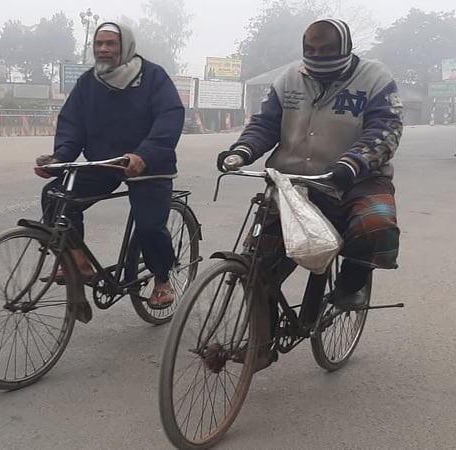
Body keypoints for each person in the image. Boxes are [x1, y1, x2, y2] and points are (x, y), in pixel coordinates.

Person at [218, 19, 402, 312]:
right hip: (291, 183)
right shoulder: (288, 78)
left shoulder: (374, 78)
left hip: (353, 180)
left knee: (376, 225)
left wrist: (352, 164)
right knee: (257, 267)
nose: (319, 56)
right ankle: (260, 341)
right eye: (311, 49)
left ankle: (352, 283)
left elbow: (385, 129)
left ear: (347, 47)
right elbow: (266, 124)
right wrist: (242, 151)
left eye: (328, 49)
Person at [34, 21, 184, 310]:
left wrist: (145, 154)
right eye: (98, 44)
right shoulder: (88, 83)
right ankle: (78, 261)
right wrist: (59, 158)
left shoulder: (153, 77)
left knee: (150, 228)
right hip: (105, 162)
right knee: (55, 196)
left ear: (125, 46)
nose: (103, 49)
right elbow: (72, 126)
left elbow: (170, 117)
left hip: (149, 164)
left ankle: (162, 280)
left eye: (110, 44)